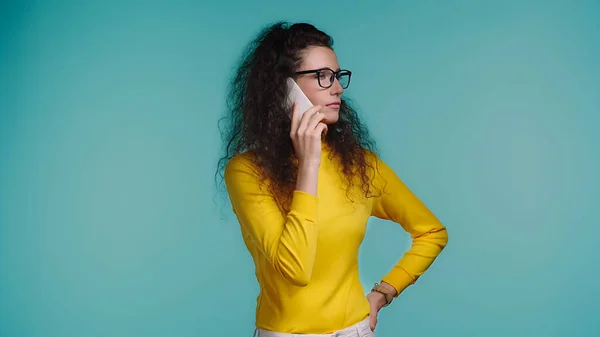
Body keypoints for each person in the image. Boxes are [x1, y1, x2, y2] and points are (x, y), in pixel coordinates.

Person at [216, 21, 448, 337]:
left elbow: (432, 232)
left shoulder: (360, 164)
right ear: (284, 88)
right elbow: (296, 270)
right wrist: (309, 163)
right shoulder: (246, 172)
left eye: (338, 76)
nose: (337, 87)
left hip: (356, 329)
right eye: (323, 77)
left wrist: (383, 293)